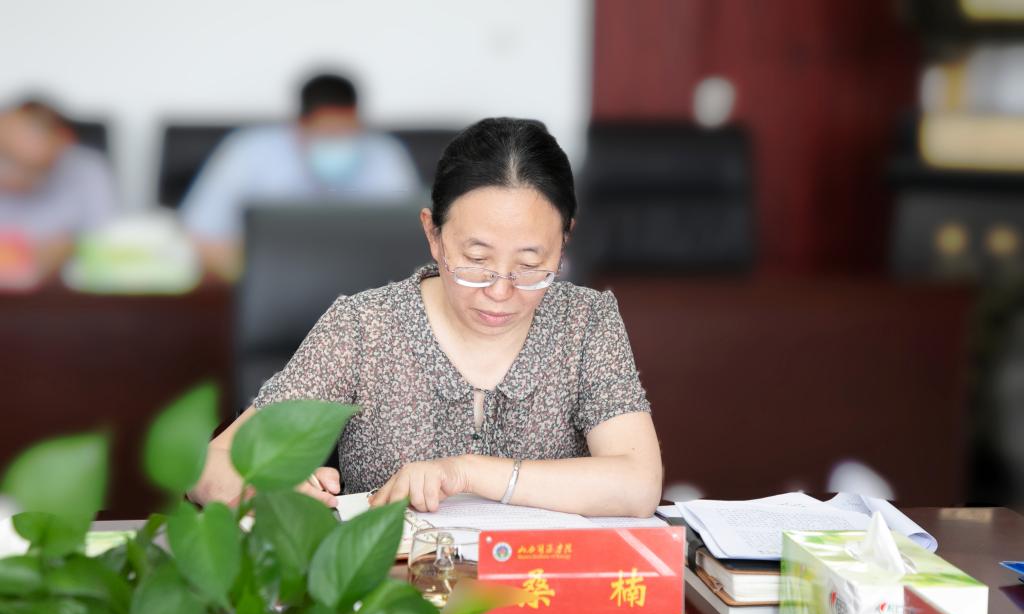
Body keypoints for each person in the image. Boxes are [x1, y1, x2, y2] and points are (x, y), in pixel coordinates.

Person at [189, 117, 662, 518]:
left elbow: (638, 486)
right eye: (476, 260)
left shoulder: (586, 322)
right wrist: (267, 488)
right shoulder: (363, 329)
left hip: (541, 589)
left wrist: (466, 472)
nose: (500, 291)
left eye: (530, 265)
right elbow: (210, 467)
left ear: (564, 241)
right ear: (433, 236)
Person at [179, 73, 420, 276]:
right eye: (328, 132)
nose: (338, 140)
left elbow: (412, 241)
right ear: (300, 126)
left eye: (346, 131)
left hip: (365, 292)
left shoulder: (387, 155)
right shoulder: (246, 152)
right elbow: (197, 236)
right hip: (269, 290)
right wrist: (275, 270)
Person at [0, 99, 117, 240]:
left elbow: (104, 236)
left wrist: (69, 246)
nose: (9, 174)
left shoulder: (88, 170)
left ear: (64, 140)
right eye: (4, 157)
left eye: (27, 169)